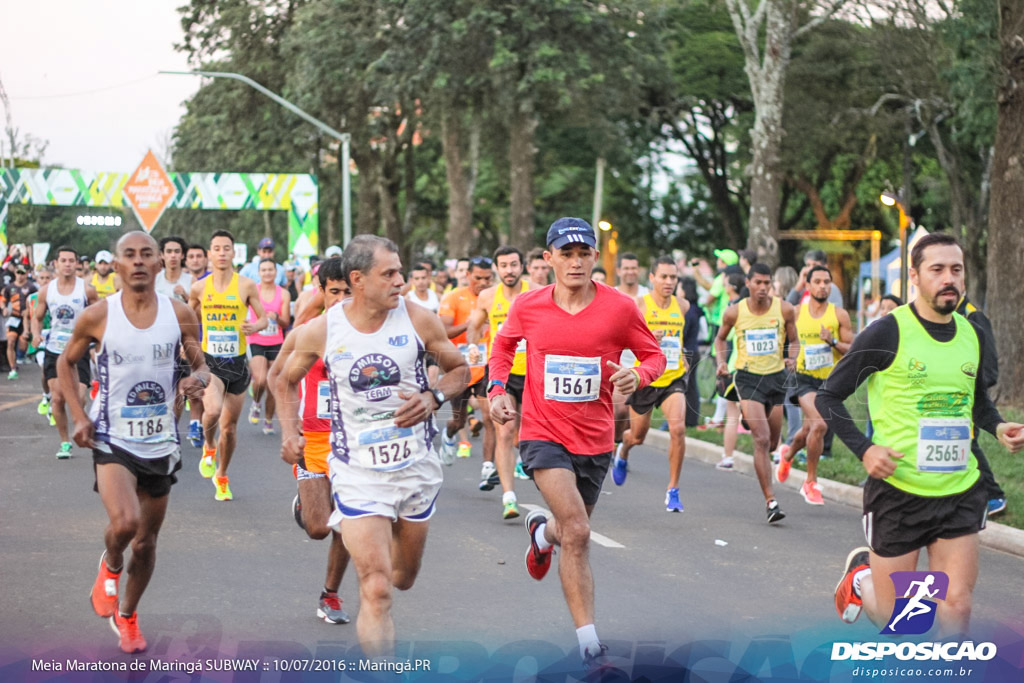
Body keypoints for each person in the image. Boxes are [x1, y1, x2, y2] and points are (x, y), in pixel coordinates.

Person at [821, 233, 1024, 635]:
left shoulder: (973, 333)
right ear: (913, 276)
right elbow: (829, 397)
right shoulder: (887, 333)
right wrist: (864, 450)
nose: (949, 278)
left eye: (956, 270)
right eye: (937, 270)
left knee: (957, 603)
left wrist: (998, 426)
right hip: (899, 490)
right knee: (904, 620)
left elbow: (975, 400)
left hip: (959, 489)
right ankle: (861, 580)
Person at [277, 235, 469, 656]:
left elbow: (459, 370)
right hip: (357, 472)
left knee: (402, 577)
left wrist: (434, 396)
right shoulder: (324, 329)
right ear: (358, 280)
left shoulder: (419, 320)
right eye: (390, 274)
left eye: (400, 271)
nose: (400, 281)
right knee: (378, 589)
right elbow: (284, 379)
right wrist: (291, 431)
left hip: (415, 467)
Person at [488, 218, 665, 670]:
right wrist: (497, 390)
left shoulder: (620, 308)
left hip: (595, 439)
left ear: (594, 258)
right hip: (543, 435)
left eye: (583, 253)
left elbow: (654, 355)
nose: (575, 261)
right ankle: (589, 643)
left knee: (569, 532)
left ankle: (540, 533)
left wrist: (639, 374)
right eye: (565, 254)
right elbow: (503, 347)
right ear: (548, 259)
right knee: (581, 533)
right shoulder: (529, 306)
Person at [57, 231, 210, 654]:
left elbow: (200, 361)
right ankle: (109, 564)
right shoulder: (97, 315)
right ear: (117, 265)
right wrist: (80, 415)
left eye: (147, 254)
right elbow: (65, 362)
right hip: (112, 438)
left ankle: (128, 615)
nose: (139, 261)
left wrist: (197, 378)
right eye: (130, 255)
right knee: (125, 524)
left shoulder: (179, 314)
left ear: (161, 263)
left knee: (145, 543)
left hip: (161, 442)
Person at [268, 257, 352, 625]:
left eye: (348, 292)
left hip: (354, 441)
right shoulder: (307, 330)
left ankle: (330, 595)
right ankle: (305, 506)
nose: (342, 299)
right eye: (334, 292)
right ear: (322, 292)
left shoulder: (371, 331)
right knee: (319, 528)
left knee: (350, 521)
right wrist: (290, 430)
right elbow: (276, 377)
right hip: (314, 440)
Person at [714, 262, 798, 523]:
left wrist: (792, 358)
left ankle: (753, 421)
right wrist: (721, 362)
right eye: (758, 283)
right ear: (748, 284)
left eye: (767, 283)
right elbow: (720, 339)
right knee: (760, 440)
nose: (762, 288)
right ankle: (771, 500)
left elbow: (794, 340)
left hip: (775, 378)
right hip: (748, 378)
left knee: (773, 443)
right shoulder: (733, 312)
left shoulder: (783, 309)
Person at [188, 230, 268, 501]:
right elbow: (189, 317)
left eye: (226, 248)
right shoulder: (200, 288)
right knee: (212, 411)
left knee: (230, 428)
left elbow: (264, 319)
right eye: (217, 248)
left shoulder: (246, 285)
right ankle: (209, 447)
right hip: (211, 361)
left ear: (234, 253)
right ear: (210, 254)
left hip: (237, 362)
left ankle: (221, 475)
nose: (221, 253)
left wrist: (254, 325)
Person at [612, 256, 691, 512]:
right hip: (645, 377)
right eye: (664, 277)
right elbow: (620, 339)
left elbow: (678, 338)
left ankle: (673, 490)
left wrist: (682, 356)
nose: (669, 282)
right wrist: (646, 336)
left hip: (672, 377)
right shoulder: (638, 305)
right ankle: (623, 450)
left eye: (673, 277)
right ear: (652, 279)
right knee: (638, 436)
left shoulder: (683, 305)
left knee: (678, 429)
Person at [775, 265, 853, 505]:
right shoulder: (796, 313)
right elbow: (783, 341)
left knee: (809, 431)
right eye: (817, 281)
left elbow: (852, 348)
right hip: (802, 377)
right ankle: (810, 482)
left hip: (829, 380)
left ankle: (787, 455)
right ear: (807, 286)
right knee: (820, 425)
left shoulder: (839, 315)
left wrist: (833, 341)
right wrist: (786, 358)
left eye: (827, 281)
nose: (823, 286)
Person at [467, 246, 530, 519]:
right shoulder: (487, 296)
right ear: (496, 268)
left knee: (529, 432)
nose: (509, 270)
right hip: (501, 371)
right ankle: (509, 497)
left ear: (521, 266)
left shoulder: (537, 291)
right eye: (503, 265)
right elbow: (474, 325)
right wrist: (472, 344)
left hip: (533, 372)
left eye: (514, 264)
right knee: (504, 431)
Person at [33, 246, 100, 458]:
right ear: (56, 263)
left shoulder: (86, 289)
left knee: (79, 398)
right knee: (58, 398)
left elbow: (100, 315)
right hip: (55, 349)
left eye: (72, 261)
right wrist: (36, 334)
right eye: (64, 260)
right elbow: (36, 317)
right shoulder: (46, 291)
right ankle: (64, 442)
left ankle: (80, 424)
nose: (68, 264)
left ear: (77, 264)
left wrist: (97, 340)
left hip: (78, 349)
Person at [438, 257, 495, 472]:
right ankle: (450, 434)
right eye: (478, 277)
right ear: (468, 275)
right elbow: (443, 331)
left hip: (487, 365)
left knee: (489, 417)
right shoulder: (453, 297)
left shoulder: (496, 297)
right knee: (458, 421)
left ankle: (487, 467)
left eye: (487, 278)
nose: (482, 282)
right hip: (460, 366)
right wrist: (470, 324)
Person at [954, 294, 1008, 517]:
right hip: (952, 394)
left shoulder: (972, 314)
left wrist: (973, 387)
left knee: (969, 444)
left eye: (955, 271)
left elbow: (989, 366)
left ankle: (994, 496)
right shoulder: (950, 314)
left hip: (971, 395)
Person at [247, 258, 291, 435]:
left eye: (270, 270)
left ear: (276, 272)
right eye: (263, 270)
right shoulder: (252, 292)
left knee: (273, 383)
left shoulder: (284, 294)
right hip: (256, 339)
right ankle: (256, 402)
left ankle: (268, 419)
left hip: (276, 341)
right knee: (260, 379)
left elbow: (286, 322)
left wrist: (276, 317)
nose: (267, 273)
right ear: (258, 272)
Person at [2, 264, 37, 379]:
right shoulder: (9, 287)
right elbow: (3, 299)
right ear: (15, 273)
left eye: (22, 273)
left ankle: (22, 357)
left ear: (26, 274)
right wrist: (4, 308)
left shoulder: (31, 287)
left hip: (27, 319)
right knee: (10, 341)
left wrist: (30, 311)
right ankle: (12, 368)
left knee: (23, 343)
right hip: (14, 317)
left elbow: (36, 301)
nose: (20, 275)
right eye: (18, 273)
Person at [154, 236, 193, 303]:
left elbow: (199, 309)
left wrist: (186, 297)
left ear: (182, 255)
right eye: (169, 252)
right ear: (162, 255)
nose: (173, 255)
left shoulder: (191, 280)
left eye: (177, 251)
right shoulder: (155, 279)